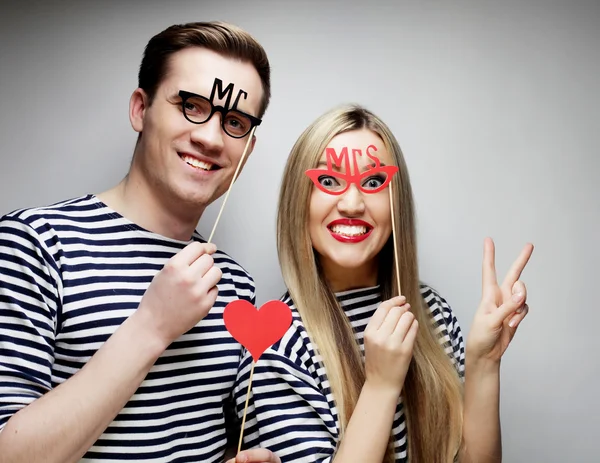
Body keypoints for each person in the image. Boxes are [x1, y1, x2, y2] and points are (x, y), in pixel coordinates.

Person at [0, 21, 279, 463]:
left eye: (234, 121)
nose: (209, 137)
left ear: (248, 147)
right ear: (139, 109)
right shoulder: (34, 244)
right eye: (191, 105)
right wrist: (152, 325)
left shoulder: (237, 288)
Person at [233, 105, 533, 463]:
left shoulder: (433, 313)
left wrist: (485, 361)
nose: (352, 203)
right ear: (299, 200)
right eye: (328, 181)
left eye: (374, 182)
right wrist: (380, 386)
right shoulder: (276, 342)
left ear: (397, 202)